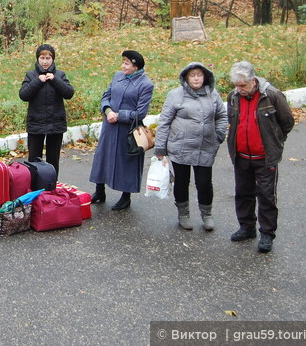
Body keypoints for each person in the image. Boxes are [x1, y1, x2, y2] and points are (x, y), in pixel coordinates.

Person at [226, 61, 294, 253]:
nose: (239, 90)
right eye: (237, 86)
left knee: (266, 196)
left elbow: (287, 122)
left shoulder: (272, 95)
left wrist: (276, 142)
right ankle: (246, 228)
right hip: (241, 156)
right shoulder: (234, 97)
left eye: (243, 86)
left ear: (253, 81)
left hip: (264, 158)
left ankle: (267, 234)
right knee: (243, 194)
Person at [153, 62, 227, 231]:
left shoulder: (213, 94)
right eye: (192, 75)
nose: (196, 78)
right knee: (181, 181)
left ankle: (207, 214)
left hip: (205, 146)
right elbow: (164, 122)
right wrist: (160, 149)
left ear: (205, 77)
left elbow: (222, 116)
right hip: (180, 147)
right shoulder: (175, 95)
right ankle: (183, 214)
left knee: (204, 183)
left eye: (199, 75)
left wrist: (219, 135)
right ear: (186, 77)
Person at [89, 50, 154, 210]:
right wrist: (108, 110)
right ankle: (99, 191)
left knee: (127, 162)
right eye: (123, 62)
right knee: (103, 157)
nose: (123, 66)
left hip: (128, 130)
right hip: (109, 127)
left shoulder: (146, 84)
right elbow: (106, 96)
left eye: (126, 63)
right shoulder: (118, 76)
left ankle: (126, 197)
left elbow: (141, 112)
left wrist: (119, 115)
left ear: (135, 66)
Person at [18, 43, 75, 174]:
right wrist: (38, 81)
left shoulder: (60, 75)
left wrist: (55, 80)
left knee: (53, 159)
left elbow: (69, 93)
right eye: (42, 58)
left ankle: (51, 187)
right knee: (34, 159)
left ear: (53, 59)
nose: (45, 62)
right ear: (37, 59)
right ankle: (34, 187)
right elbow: (23, 95)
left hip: (56, 125)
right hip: (36, 124)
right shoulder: (31, 75)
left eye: (48, 58)